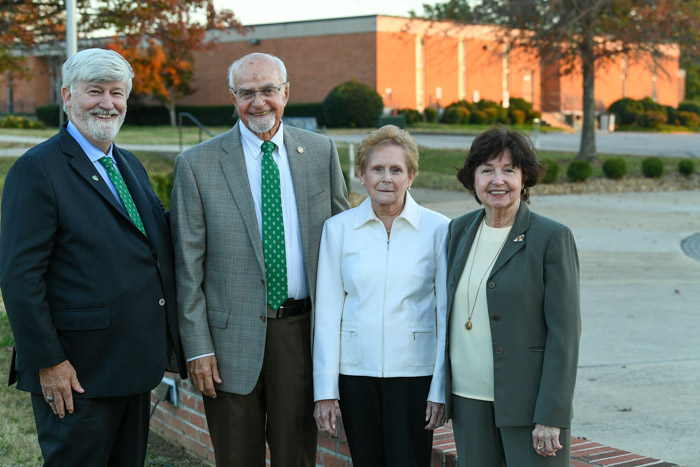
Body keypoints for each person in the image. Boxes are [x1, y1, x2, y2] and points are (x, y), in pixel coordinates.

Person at [0, 48, 186, 466]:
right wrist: (50, 363)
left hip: (132, 365)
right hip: (77, 373)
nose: (107, 103)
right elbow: (19, 278)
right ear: (67, 96)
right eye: (94, 91)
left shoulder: (127, 164)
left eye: (116, 93)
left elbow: (152, 238)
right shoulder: (38, 169)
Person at [171, 52, 349, 467]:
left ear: (286, 92)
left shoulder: (321, 152)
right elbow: (187, 267)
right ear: (233, 97)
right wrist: (197, 348)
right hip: (228, 345)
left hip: (300, 335)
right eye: (246, 93)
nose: (259, 102)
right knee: (236, 458)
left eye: (268, 90)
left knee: (297, 457)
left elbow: (345, 241)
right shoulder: (196, 164)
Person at [445, 125, 581, 465]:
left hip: (529, 405)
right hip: (468, 399)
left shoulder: (551, 238)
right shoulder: (458, 231)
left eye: (509, 170)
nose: (497, 180)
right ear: (472, 178)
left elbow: (565, 336)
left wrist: (552, 413)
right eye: (487, 170)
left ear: (524, 178)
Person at [313, 125, 448, 466]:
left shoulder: (440, 229)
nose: (386, 178)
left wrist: (439, 388)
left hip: (415, 375)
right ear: (361, 174)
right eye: (377, 169)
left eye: (396, 169)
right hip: (357, 375)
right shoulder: (338, 229)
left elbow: (446, 313)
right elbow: (328, 314)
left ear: (411, 176)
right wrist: (325, 392)